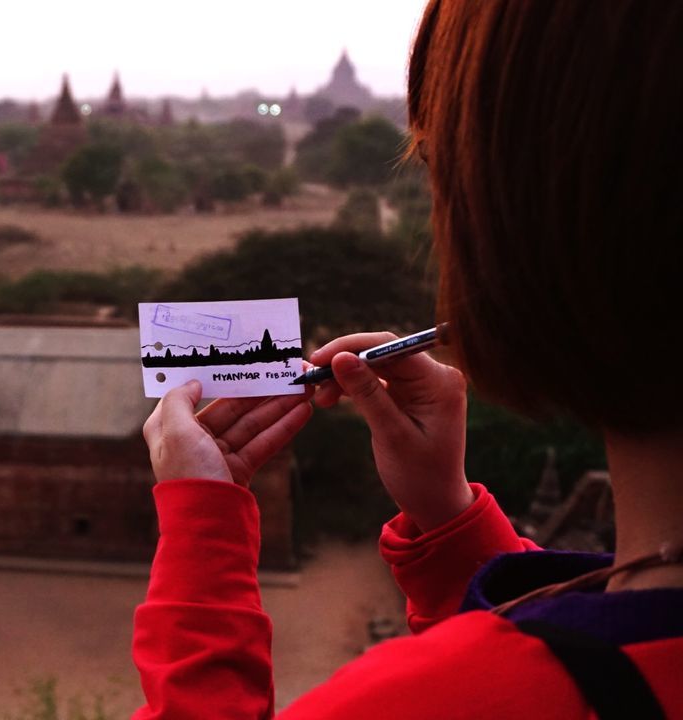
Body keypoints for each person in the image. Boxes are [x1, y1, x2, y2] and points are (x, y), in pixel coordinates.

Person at [131, 1, 683, 717]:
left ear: (525, 228)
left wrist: (203, 532)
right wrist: (448, 518)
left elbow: (523, 687)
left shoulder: (412, 703)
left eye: (440, 178)